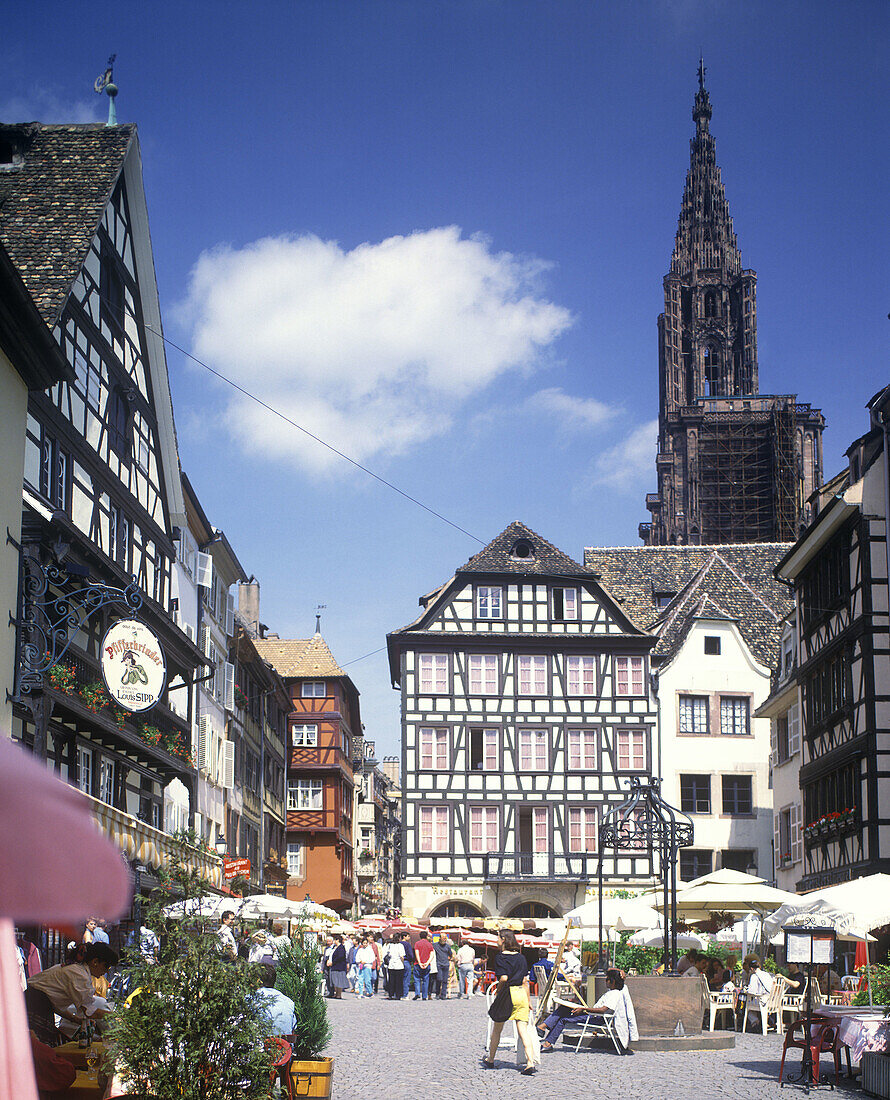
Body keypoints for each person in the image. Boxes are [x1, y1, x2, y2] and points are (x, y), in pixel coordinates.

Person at [26, 943, 118, 1044]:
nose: (105, 972)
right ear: (95, 962)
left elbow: (55, 1003)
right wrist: (116, 1016)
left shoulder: (76, 969)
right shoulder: (79, 974)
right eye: (106, 966)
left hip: (34, 1004)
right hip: (34, 1006)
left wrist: (75, 1019)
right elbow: (90, 1011)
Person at [540, 968, 637, 1054]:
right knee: (564, 1008)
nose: (605, 981)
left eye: (607, 979)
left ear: (613, 982)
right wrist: (620, 971)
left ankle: (546, 1039)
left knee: (563, 1019)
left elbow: (603, 1010)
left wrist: (584, 1009)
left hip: (597, 1017)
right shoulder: (613, 991)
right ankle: (543, 1028)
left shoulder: (615, 994)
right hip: (594, 1014)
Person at [483, 930, 537, 1074]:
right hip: (521, 994)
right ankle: (530, 1062)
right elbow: (526, 981)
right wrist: (529, 1001)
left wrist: (499, 991)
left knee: (497, 1029)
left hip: (508, 994)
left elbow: (504, 978)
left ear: (503, 940)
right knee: (523, 1032)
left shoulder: (500, 957)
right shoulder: (521, 957)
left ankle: (491, 1059)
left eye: (498, 938)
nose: (496, 941)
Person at [251, 965, 296, 1036]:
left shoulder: (252, 998)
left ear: (257, 980)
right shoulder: (288, 1002)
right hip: (284, 1045)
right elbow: (292, 1029)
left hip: (260, 1045)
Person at [412, 930, 434, 1000]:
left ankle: (417, 993)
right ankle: (424, 996)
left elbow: (417, 953)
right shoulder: (429, 944)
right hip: (427, 964)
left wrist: (419, 962)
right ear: (427, 936)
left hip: (418, 964)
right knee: (425, 980)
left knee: (417, 979)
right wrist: (427, 963)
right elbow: (432, 954)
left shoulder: (417, 943)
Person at [384, 934, 407, 999]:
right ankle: (398, 995)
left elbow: (388, 954)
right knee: (399, 981)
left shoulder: (390, 945)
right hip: (399, 965)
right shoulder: (400, 946)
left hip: (391, 965)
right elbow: (402, 956)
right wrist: (403, 962)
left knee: (391, 981)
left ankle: (391, 994)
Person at [434, 933, 453, 999]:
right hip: (439, 964)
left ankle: (443, 995)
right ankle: (437, 993)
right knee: (439, 979)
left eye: (445, 938)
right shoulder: (435, 945)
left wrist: (450, 958)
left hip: (446, 965)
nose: (445, 939)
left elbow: (451, 954)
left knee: (445, 980)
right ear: (440, 938)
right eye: (443, 938)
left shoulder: (447, 946)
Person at [401, 933, 415, 999]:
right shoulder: (407, 944)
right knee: (406, 979)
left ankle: (399, 993)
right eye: (408, 936)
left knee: (400, 978)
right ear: (404, 937)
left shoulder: (398, 943)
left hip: (399, 962)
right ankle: (405, 994)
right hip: (406, 961)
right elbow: (410, 955)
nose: (409, 938)